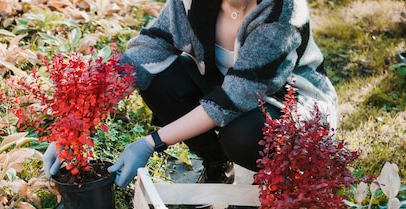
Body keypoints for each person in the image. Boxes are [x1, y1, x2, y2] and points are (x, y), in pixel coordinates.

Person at [97, 0, 338, 187]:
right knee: (158, 80)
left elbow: (237, 96)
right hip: (231, 89)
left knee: (241, 135)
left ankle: (276, 184)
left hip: (288, 105)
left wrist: (150, 143)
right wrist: (83, 115)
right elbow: (145, 53)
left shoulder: (282, 14)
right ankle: (217, 165)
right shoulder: (192, 3)